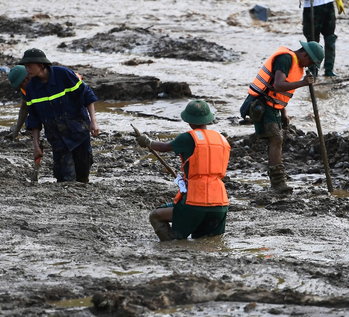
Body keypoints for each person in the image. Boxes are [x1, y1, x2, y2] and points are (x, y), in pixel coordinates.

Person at [136, 100, 230, 241]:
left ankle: (172, 247)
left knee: (156, 215)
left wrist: (148, 142)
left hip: (196, 202)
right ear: (208, 119)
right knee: (208, 241)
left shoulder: (188, 137)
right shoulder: (222, 139)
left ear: (188, 120)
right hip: (220, 203)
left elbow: (163, 147)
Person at [240, 41, 324, 193]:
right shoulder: (286, 58)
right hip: (262, 104)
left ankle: (277, 180)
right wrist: (303, 83)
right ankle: (278, 182)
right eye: (310, 62)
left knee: (276, 139)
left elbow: (280, 93)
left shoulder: (295, 63)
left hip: (273, 107)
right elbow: (278, 85)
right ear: (305, 54)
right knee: (276, 139)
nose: (308, 66)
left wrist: (283, 113)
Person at [21, 48, 99, 182]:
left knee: (83, 175)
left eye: (29, 66)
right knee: (65, 179)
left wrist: (93, 121)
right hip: (57, 140)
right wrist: (36, 146)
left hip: (79, 133)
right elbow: (34, 119)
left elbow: (86, 95)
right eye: (25, 66)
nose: (26, 69)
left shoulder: (63, 75)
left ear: (41, 65)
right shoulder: (31, 89)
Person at [7, 65, 30, 139]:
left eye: (21, 85)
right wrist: (16, 131)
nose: (21, 88)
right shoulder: (25, 89)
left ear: (27, 78)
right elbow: (24, 108)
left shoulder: (42, 81)